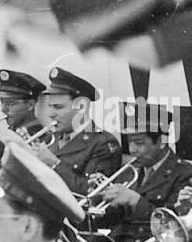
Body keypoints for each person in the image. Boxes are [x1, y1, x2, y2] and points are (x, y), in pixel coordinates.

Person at [92, 100, 192, 242]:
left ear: (161, 142)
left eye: (139, 143)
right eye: (129, 142)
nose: (132, 150)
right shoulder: (130, 172)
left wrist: (136, 202)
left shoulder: (185, 175)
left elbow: (174, 228)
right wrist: (99, 198)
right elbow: (112, 220)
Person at [29, 67, 123, 196]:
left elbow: (94, 193)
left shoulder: (103, 143)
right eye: (50, 107)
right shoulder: (52, 138)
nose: (51, 114)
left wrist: (55, 164)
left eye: (58, 107)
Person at [0, 68, 48, 140]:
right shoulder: (11, 133)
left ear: (30, 105)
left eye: (9, 103)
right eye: (1, 102)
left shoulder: (40, 139)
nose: (3, 109)